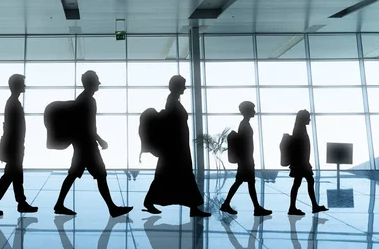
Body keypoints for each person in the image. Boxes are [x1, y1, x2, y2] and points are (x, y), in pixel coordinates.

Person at [53, 70, 132, 218]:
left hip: (82, 144)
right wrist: (99, 140)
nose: (98, 84)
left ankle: (59, 204)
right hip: (87, 145)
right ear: (91, 83)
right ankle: (112, 209)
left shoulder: (82, 99)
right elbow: (87, 125)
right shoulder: (88, 101)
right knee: (100, 175)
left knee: (74, 175)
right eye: (96, 81)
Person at [142, 75, 210, 217]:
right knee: (173, 176)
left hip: (177, 147)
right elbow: (172, 125)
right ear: (177, 86)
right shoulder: (172, 102)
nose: (185, 87)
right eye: (183, 85)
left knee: (170, 176)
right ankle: (192, 207)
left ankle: (193, 207)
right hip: (175, 148)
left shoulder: (173, 101)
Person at [0, 74, 37, 216]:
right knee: (10, 176)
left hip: (15, 145)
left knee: (16, 176)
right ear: (16, 85)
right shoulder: (13, 103)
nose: (24, 86)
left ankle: (21, 203)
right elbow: (11, 128)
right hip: (15, 146)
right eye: (22, 84)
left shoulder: (13, 102)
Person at [220, 101, 272, 216]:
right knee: (245, 183)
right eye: (252, 109)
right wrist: (247, 160)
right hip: (246, 160)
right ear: (247, 111)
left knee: (244, 182)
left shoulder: (244, 124)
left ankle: (229, 204)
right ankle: (254, 208)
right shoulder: (244, 125)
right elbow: (245, 144)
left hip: (245, 159)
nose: (254, 111)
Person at [288, 110, 328, 216]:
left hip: (301, 163)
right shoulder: (300, 130)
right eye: (308, 117)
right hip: (302, 163)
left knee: (299, 184)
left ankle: (296, 207)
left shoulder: (299, 129)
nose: (309, 119)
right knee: (306, 182)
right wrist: (304, 162)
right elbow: (301, 148)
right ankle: (312, 206)